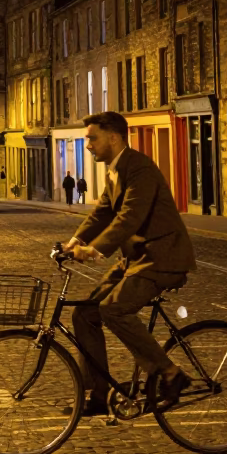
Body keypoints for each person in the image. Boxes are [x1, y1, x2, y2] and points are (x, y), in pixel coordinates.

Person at [61, 111, 197, 418]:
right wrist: (74, 242)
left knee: (113, 309)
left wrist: (94, 251)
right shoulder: (116, 169)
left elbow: (129, 218)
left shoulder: (140, 169)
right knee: (84, 314)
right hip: (137, 258)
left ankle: (171, 372)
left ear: (114, 137)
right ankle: (97, 395)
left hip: (162, 257)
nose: (88, 145)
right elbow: (102, 213)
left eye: (92, 138)